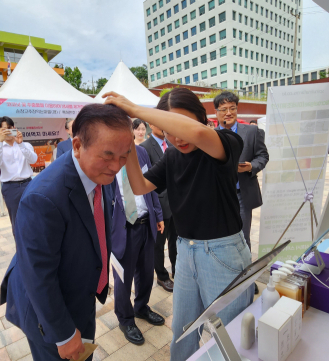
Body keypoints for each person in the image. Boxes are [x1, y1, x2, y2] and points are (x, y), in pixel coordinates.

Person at [103, 88, 253, 360]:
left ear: (201, 118)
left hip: (223, 254)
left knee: (230, 339)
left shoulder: (226, 141)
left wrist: (136, 109)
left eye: (179, 125)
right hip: (185, 252)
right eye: (167, 129)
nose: (176, 137)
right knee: (182, 333)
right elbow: (139, 185)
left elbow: (195, 134)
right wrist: (130, 146)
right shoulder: (172, 157)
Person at [0, 104, 133, 361]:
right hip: (49, 312)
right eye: (107, 155)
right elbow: (38, 274)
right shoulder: (44, 197)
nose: (117, 166)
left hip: (79, 294)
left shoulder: (99, 174)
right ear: (77, 145)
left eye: (124, 155)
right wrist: (62, 333)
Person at [111, 144, 165, 345]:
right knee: (123, 277)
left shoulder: (140, 152)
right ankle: (125, 320)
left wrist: (158, 214)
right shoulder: (106, 155)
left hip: (145, 221)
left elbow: (150, 187)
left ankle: (141, 307)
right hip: (123, 227)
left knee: (145, 272)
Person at [215, 91, 269, 248]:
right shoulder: (210, 136)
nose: (228, 113)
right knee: (220, 237)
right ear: (216, 112)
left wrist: (251, 166)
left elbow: (263, 156)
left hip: (242, 194)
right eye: (224, 109)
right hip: (218, 196)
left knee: (243, 238)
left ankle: (246, 271)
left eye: (232, 108)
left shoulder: (252, 132)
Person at [140, 123, 176, 293]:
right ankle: (162, 276)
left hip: (177, 203)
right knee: (158, 244)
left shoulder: (173, 143)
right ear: (151, 124)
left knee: (176, 240)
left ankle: (178, 270)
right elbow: (146, 182)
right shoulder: (144, 148)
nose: (162, 126)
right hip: (160, 203)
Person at [0, 116, 38, 237]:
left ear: (14, 128)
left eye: (10, 128)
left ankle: (35, 244)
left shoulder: (25, 145)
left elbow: (33, 160)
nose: (8, 131)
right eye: (4, 129)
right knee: (16, 220)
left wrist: (20, 144)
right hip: (11, 188)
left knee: (34, 215)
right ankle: (21, 250)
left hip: (28, 183)